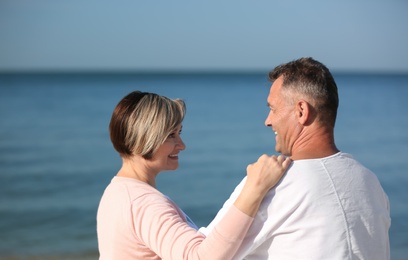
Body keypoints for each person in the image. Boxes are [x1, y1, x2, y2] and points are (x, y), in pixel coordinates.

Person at [200, 57, 391, 259]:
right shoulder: (369, 181)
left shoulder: (273, 185)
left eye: (272, 109)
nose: (268, 121)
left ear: (301, 111)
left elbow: (201, 253)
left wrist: (162, 213)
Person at [96, 91, 291, 259]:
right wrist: (254, 189)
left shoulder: (116, 191)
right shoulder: (143, 203)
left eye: (179, 132)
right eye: (171, 135)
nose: (182, 145)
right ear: (144, 138)